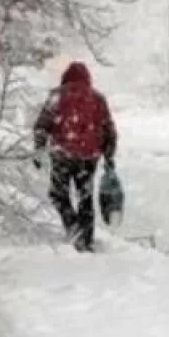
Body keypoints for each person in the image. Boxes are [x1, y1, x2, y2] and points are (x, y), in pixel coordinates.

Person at [32, 61, 118, 252]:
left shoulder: (57, 96)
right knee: (85, 198)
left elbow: (42, 125)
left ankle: (74, 228)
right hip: (88, 158)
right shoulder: (97, 98)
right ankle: (86, 240)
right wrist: (109, 154)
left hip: (62, 154)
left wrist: (38, 149)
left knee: (58, 194)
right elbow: (108, 129)